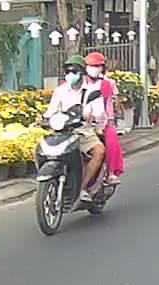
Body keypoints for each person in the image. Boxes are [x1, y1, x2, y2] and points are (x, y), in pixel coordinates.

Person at [45, 54, 107, 202]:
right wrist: (45, 119)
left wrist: (93, 118)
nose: (70, 74)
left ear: (82, 72)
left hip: (83, 131)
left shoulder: (91, 91)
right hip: (63, 132)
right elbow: (51, 111)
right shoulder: (60, 91)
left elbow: (99, 112)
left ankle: (83, 187)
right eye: (68, 71)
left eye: (74, 71)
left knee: (99, 151)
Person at [84, 52, 123, 184]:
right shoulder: (82, 83)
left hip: (104, 121)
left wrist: (114, 116)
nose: (94, 69)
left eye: (97, 66)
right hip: (83, 122)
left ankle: (111, 173)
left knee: (112, 141)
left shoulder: (108, 83)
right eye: (91, 66)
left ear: (102, 68)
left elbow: (115, 101)